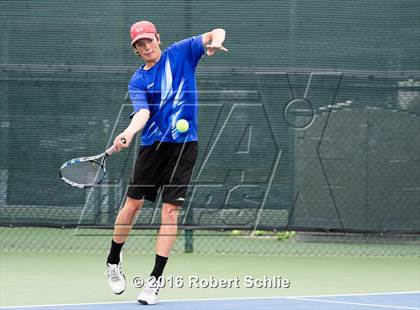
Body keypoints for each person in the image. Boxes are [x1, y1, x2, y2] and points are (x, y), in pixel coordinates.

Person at [104, 20, 227, 305]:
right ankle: (113, 259)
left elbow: (215, 31)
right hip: (152, 147)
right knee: (132, 206)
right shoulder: (138, 80)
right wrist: (128, 133)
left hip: (184, 146)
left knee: (170, 213)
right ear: (135, 49)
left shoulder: (182, 53)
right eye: (139, 44)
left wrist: (215, 42)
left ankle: (155, 282)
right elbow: (142, 114)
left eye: (148, 40)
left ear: (158, 37)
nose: (146, 46)